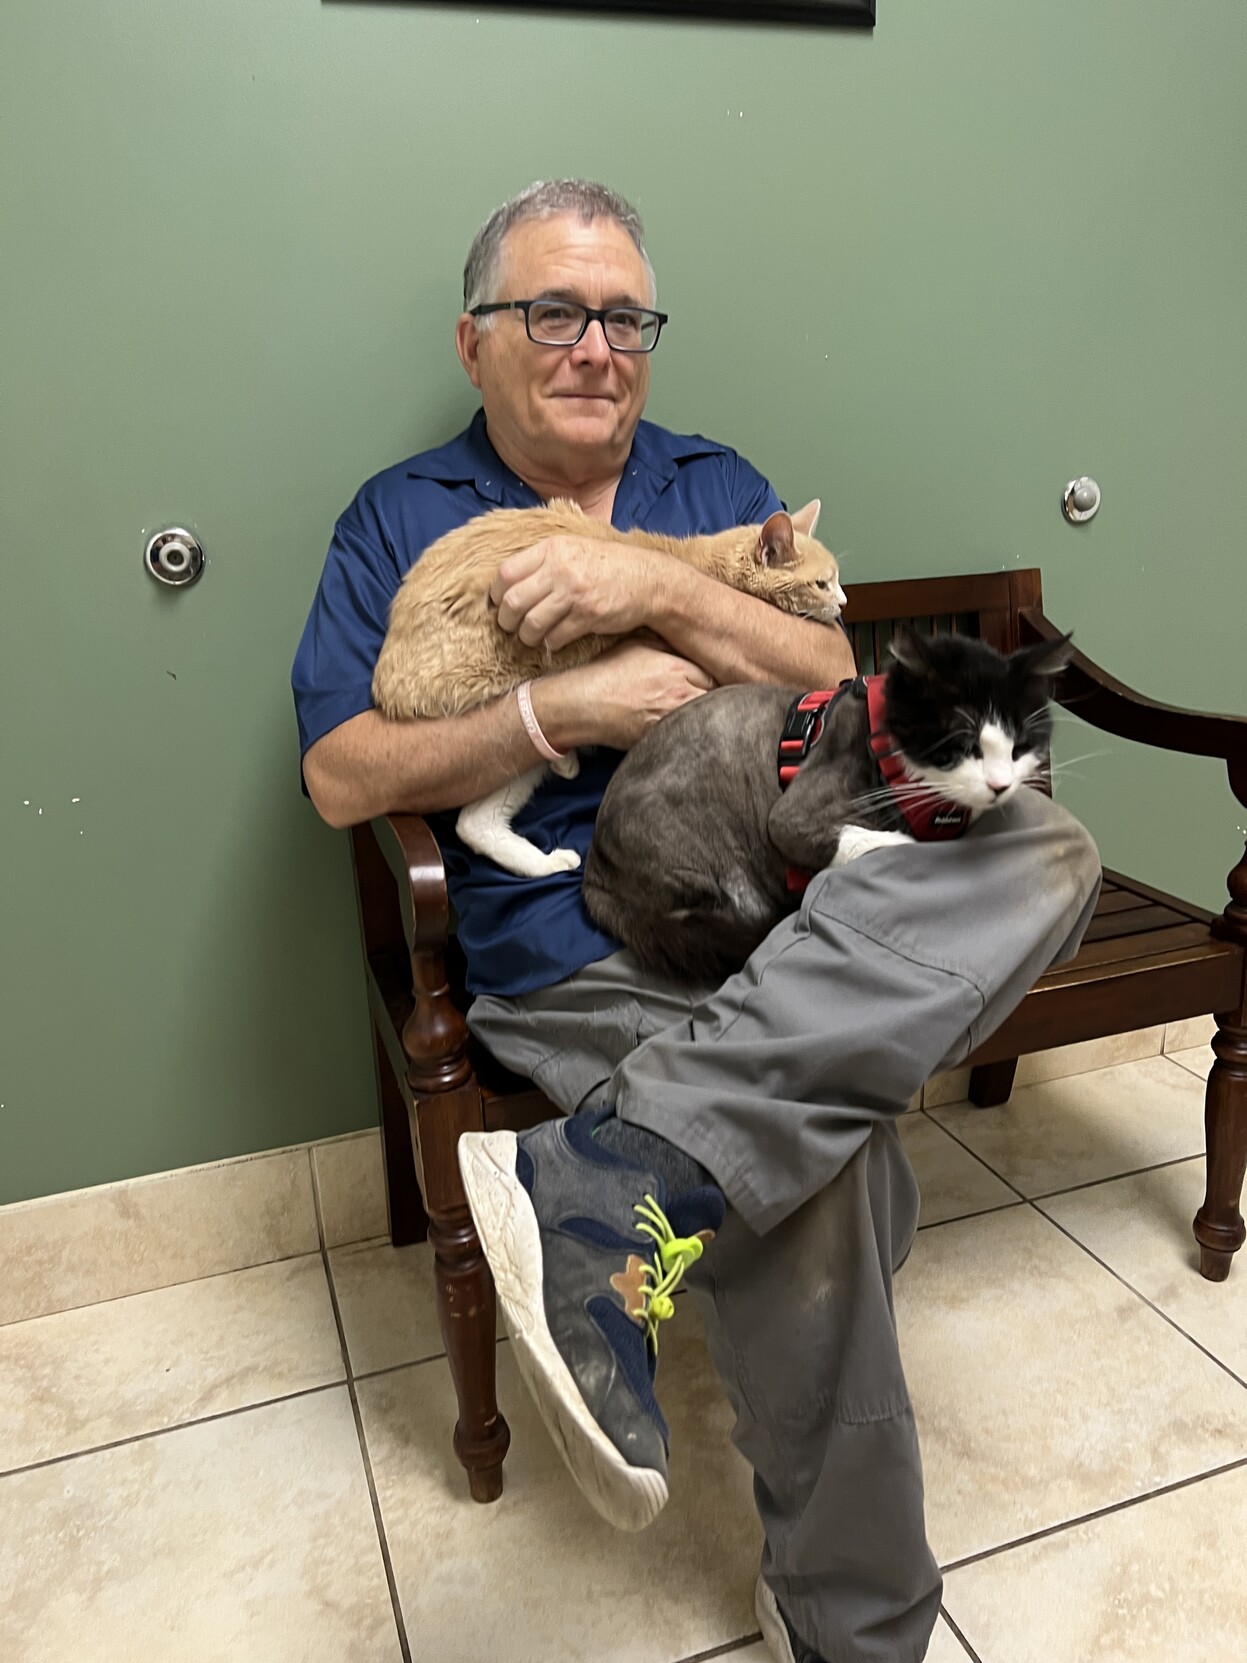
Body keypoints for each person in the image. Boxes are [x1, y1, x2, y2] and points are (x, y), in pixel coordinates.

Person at [293, 180, 1101, 1663]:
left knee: (1048, 841)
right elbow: (342, 774)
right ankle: (857, 1627)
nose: (597, 348)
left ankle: (617, 1174)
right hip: (580, 944)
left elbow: (834, 677)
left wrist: (641, 582)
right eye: (554, 313)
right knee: (826, 1172)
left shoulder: (714, 480)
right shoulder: (402, 515)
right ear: (474, 342)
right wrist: (556, 710)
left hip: (790, 891)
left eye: (626, 319)